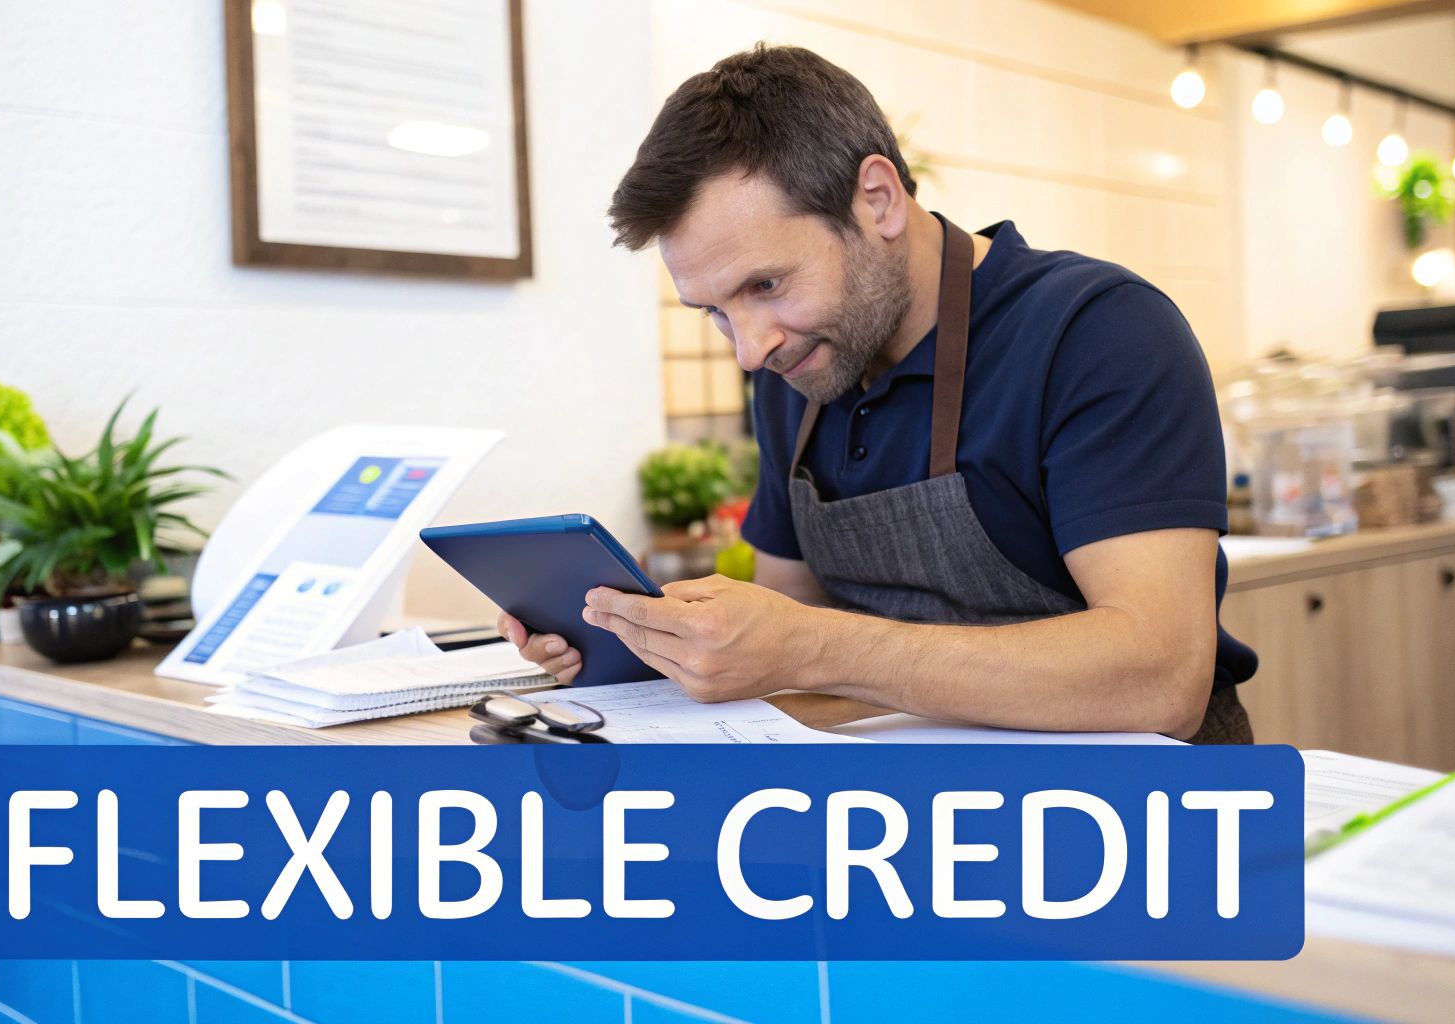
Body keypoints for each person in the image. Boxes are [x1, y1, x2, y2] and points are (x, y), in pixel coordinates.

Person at [497, 45, 1256, 742]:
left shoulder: (1097, 331)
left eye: (766, 284)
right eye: (716, 311)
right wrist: (649, 647)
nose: (751, 349)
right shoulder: (798, 368)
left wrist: (812, 645)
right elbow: (784, 636)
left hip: (1138, 808)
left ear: (879, 200)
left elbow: (1160, 678)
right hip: (906, 803)